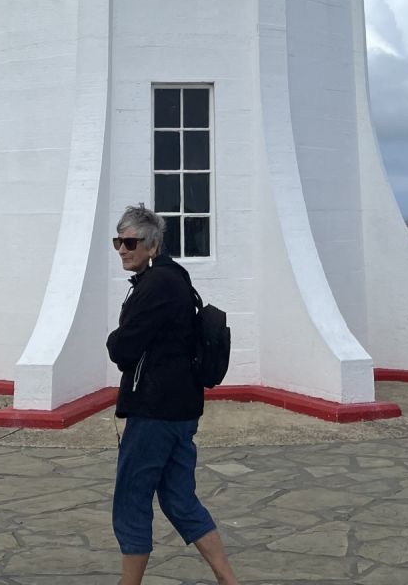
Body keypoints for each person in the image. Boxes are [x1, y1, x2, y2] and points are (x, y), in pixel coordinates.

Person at [106, 204, 238, 585]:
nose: (122, 249)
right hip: (181, 410)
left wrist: (115, 338)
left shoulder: (157, 284)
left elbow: (123, 349)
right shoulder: (174, 279)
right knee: (180, 499)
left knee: (131, 498)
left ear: (152, 245)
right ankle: (229, 581)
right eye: (118, 241)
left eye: (129, 242)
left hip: (155, 412)